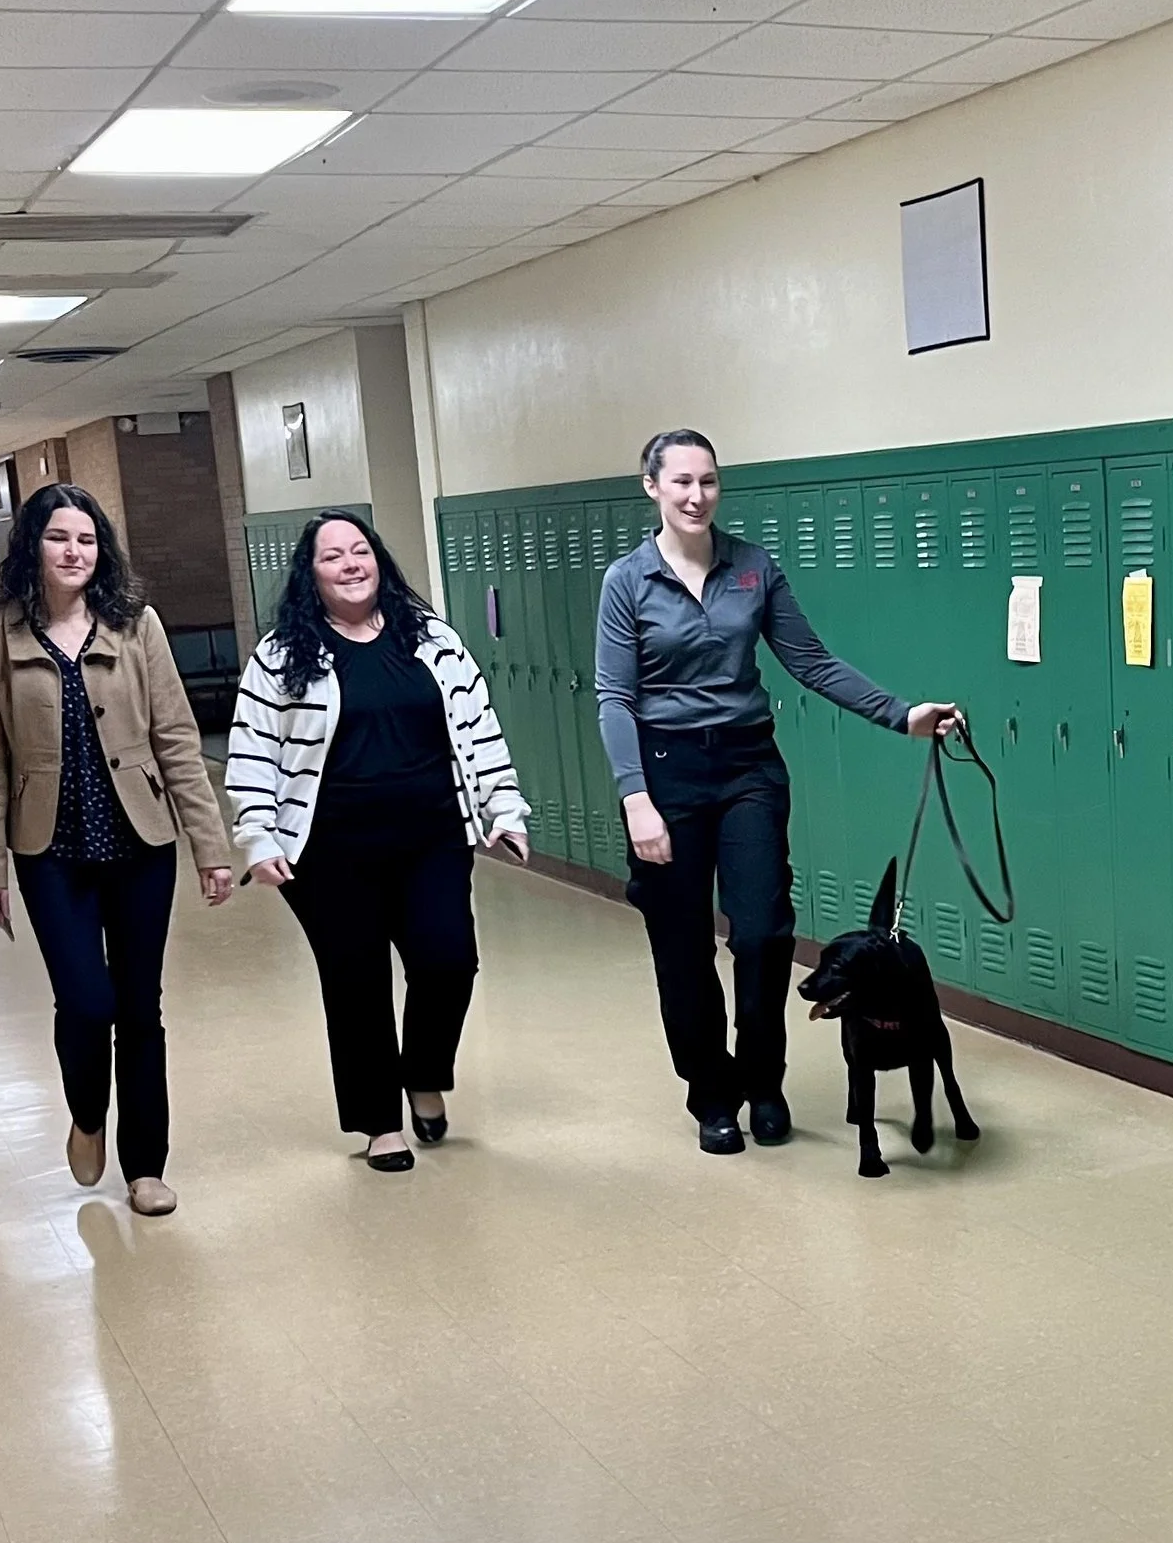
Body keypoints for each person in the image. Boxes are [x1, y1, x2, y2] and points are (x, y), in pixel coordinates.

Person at [596, 430, 961, 1155]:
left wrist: (903, 715)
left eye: (708, 482)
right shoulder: (626, 582)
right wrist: (636, 797)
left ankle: (764, 1082)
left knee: (762, 934)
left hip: (747, 769)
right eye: (681, 483)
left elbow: (813, 662)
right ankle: (712, 1094)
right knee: (683, 946)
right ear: (652, 488)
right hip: (666, 772)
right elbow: (614, 696)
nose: (696, 496)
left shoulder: (753, 569)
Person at [0, 483, 233, 1217]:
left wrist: (212, 847)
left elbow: (177, 739)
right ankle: (87, 1113)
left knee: (140, 1007)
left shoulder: (136, 626)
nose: (74, 551)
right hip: (49, 850)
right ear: (32, 547)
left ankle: (146, 1166)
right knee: (86, 1000)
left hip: (141, 842)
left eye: (86, 539)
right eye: (59, 538)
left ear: (101, 550)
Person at [228, 510, 531, 1172]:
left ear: (379, 559)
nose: (349, 564)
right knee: (355, 980)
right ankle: (378, 1124)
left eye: (359, 550)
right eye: (331, 556)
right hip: (330, 849)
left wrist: (503, 806)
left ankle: (423, 1073)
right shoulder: (282, 656)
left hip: (432, 837)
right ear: (311, 575)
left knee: (449, 962)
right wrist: (258, 836)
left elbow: (479, 727)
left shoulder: (431, 640)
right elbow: (253, 754)